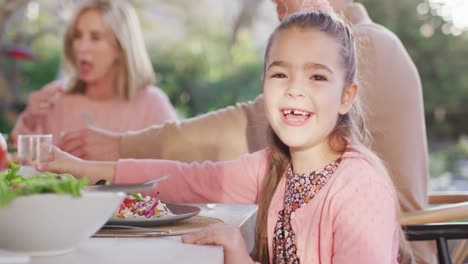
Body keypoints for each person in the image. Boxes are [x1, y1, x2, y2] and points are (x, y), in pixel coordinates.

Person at [57, 0, 433, 261]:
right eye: (280, 74)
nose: (295, 88)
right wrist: (83, 168)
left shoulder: (358, 188)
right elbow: (188, 179)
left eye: (317, 76)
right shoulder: (273, 167)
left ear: (347, 96)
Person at [10, 0, 177, 152]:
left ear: (120, 47)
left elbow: (174, 168)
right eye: (77, 36)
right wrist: (29, 120)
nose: (81, 47)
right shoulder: (54, 98)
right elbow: (14, 161)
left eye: (95, 38)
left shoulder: (152, 105)